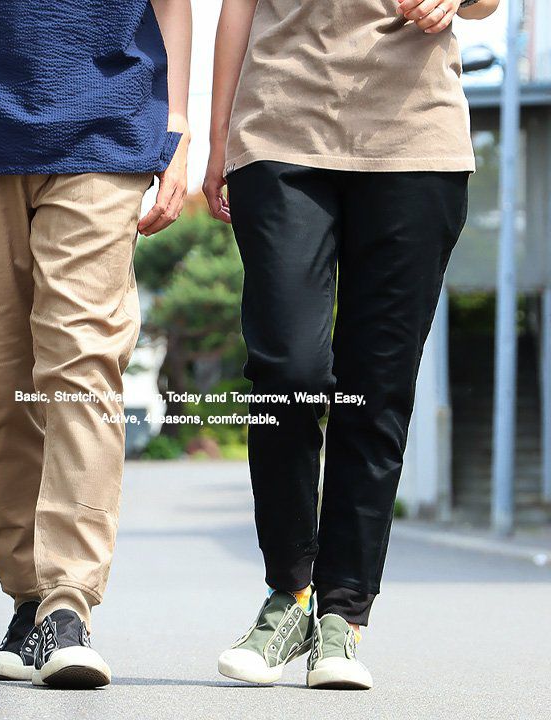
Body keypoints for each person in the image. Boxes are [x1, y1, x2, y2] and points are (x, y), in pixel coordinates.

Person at [0, 0, 191, 689]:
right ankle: (28, 601)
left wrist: (176, 122)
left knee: (82, 361)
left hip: (106, 120)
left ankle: (68, 602)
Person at [203, 0, 499, 688]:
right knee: (287, 369)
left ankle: (342, 614)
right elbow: (237, 7)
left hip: (415, 138)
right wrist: (219, 139)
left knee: (378, 387)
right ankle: (288, 595)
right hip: (279, 131)